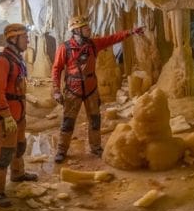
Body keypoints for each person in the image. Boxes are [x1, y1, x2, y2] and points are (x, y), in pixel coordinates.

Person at [51, 15, 144, 163]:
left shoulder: (93, 44)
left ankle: (95, 147)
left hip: (91, 89)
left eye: (87, 26)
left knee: (94, 120)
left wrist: (131, 32)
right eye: (85, 27)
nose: (89, 29)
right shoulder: (65, 48)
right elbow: (56, 69)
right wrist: (56, 90)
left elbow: (112, 38)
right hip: (72, 89)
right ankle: (62, 150)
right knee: (68, 122)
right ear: (76, 30)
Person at [0, 23, 37, 208]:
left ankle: (17, 173)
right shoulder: (2, 61)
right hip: (7, 114)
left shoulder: (17, 59)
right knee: (5, 152)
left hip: (19, 111)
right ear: (13, 39)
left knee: (20, 145)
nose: (28, 40)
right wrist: (6, 116)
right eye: (25, 37)